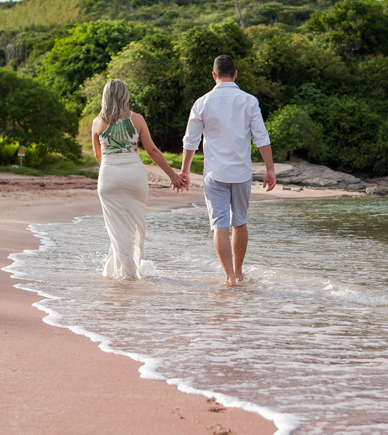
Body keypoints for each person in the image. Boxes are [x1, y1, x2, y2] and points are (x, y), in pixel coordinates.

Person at [179, 55, 276, 286]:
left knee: (219, 224)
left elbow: (190, 140)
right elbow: (261, 137)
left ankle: (229, 277)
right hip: (241, 172)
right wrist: (270, 169)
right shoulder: (249, 101)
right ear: (235, 73)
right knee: (239, 222)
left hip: (214, 173)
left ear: (214, 75)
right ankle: (240, 272)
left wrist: (184, 170)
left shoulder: (202, 102)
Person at [91, 79, 184, 280]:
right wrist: (173, 176)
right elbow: (151, 150)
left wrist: (111, 173)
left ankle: (120, 273)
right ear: (125, 96)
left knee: (116, 229)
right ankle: (131, 274)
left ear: (105, 96)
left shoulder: (97, 122)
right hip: (134, 175)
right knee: (135, 226)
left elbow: (98, 156)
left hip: (108, 175)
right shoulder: (137, 119)